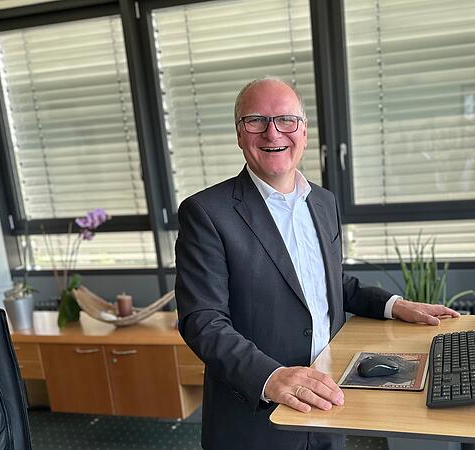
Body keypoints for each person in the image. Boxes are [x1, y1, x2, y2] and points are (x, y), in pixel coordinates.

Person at [175, 78, 459, 450]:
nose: (272, 131)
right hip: (258, 413)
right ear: (240, 135)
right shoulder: (206, 212)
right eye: (256, 120)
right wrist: (270, 376)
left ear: (304, 132)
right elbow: (203, 321)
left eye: (286, 120)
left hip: (328, 396)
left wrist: (394, 305)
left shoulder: (323, 202)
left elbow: (326, 283)